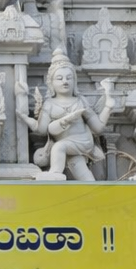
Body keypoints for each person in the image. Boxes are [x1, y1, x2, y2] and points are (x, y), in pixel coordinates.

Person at [21, 48, 116, 180]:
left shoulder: (80, 101)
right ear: (51, 83)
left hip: (82, 141)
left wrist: (107, 108)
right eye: (59, 78)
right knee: (81, 170)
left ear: (74, 81)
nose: (65, 81)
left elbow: (98, 128)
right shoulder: (49, 103)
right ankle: (93, 189)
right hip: (69, 146)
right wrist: (25, 118)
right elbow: (42, 130)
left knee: (59, 147)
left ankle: (55, 173)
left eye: (69, 78)